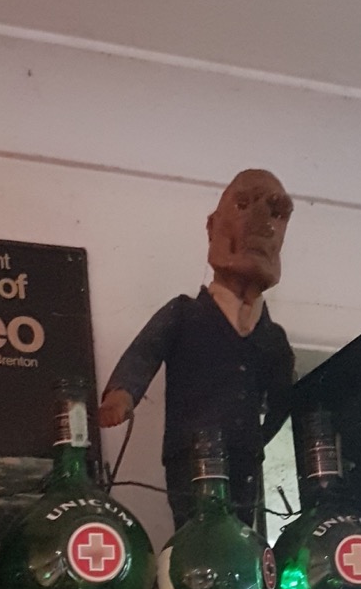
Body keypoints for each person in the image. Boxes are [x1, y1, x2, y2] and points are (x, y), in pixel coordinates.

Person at [98, 169, 295, 528]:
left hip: (243, 460)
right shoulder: (184, 314)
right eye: (243, 204)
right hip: (189, 457)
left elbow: (284, 397)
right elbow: (144, 353)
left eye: (276, 212)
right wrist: (122, 394)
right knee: (195, 532)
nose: (262, 223)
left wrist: (257, 440)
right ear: (212, 226)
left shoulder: (272, 338)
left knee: (241, 530)